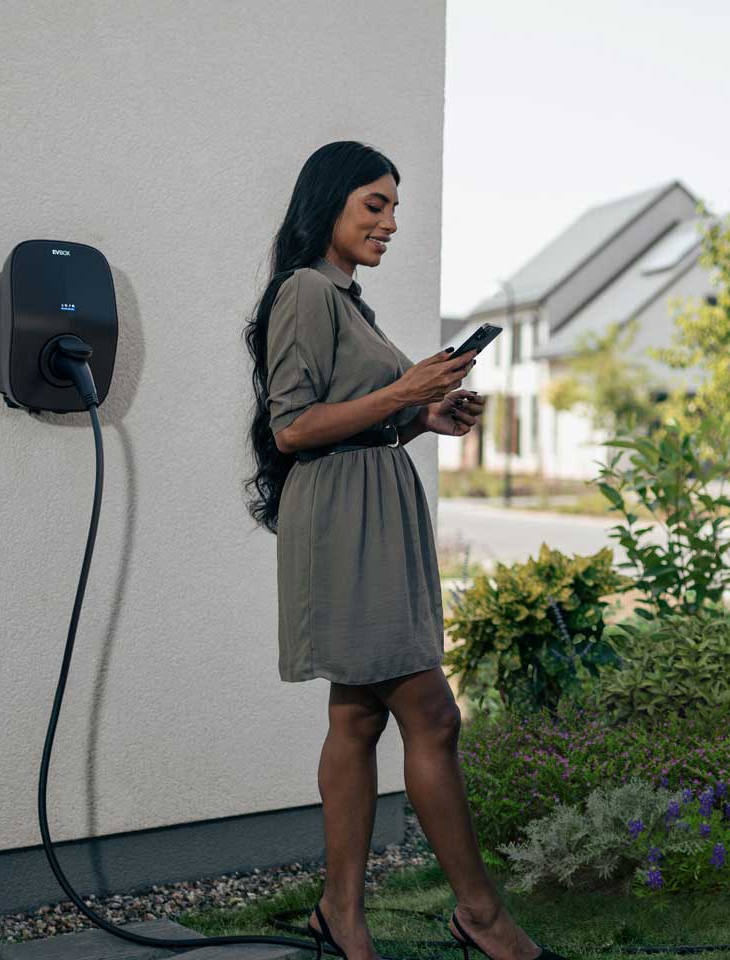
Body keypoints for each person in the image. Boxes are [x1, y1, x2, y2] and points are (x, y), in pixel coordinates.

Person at [242, 141, 560, 960]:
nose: (389, 223)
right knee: (432, 712)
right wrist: (404, 391)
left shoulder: (348, 302)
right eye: (373, 205)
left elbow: (354, 414)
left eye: (394, 208)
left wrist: (423, 417)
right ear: (330, 206)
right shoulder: (307, 292)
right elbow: (293, 425)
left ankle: (339, 915)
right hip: (343, 526)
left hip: (368, 515)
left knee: (355, 716)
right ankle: (480, 915)